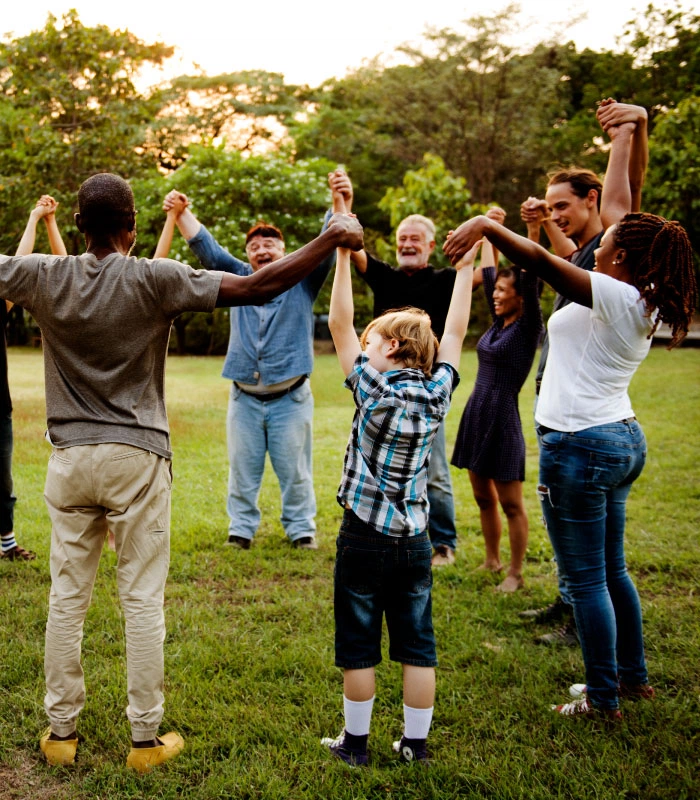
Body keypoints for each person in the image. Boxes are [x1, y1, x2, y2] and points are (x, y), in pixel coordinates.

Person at [0, 173, 362, 770]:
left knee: (67, 599)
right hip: (137, 458)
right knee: (140, 598)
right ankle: (144, 741)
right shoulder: (154, 277)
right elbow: (259, 285)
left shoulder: (44, 273)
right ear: (134, 227)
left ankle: (60, 733)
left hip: (68, 458)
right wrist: (331, 238)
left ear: (81, 225)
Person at [443, 107, 696, 719]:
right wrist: (626, 137)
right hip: (616, 437)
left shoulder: (613, 293)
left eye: (605, 243)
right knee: (612, 572)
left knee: (587, 580)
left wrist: (486, 225)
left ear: (621, 260)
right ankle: (629, 681)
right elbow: (622, 202)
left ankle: (604, 699)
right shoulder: (640, 296)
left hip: (581, 445)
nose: (597, 243)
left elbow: (540, 262)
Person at [320, 181, 478, 766]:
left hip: (362, 533)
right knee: (418, 644)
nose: (363, 345)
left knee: (358, 643)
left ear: (387, 347)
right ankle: (415, 747)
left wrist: (341, 253)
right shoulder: (438, 390)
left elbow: (339, 326)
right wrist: (466, 270)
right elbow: (457, 332)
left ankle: (355, 746)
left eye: (371, 341)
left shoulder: (371, 386)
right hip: (416, 536)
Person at [518, 101, 649, 644]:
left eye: (562, 205)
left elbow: (627, 194)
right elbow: (569, 256)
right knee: (591, 551)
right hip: (578, 413)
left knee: (593, 560)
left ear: (592, 199)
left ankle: (586, 635)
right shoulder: (597, 254)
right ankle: (572, 605)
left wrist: (627, 132)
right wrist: (543, 226)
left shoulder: (618, 247)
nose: (556, 214)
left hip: (585, 426)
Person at [162, 190, 336, 550]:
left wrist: (338, 200)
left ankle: (301, 530)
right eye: (254, 245)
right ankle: (241, 530)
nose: (261, 248)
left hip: (291, 398)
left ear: (285, 250)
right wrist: (180, 213)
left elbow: (327, 241)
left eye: (270, 242)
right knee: (243, 471)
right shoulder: (237, 277)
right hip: (244, 399)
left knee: (295, 472)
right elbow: (205, 248)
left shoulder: (303, 279)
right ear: (247, 255)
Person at [328, 170, 458, 567]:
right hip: (410, 389)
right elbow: (351, 246)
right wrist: (343, 204)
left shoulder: (444, 280)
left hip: (416, 386)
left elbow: (339, 318)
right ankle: (411, 533)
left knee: (433, 470)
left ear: (431, 245)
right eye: (402, 239)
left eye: (415, 239)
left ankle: (444, 541)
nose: (407, 244)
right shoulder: (386, 275)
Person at [451, 212, 544, 592]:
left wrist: (532, 230)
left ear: (522, 296)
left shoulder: (528, 327)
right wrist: (488, 232)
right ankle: (492, 560)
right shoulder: (498, 322)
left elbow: (531, 270)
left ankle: (516, 573)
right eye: (496, 292)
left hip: (503, 416)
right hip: (477, 412)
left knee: (510, 503)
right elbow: (490, 274)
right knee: (481, 495)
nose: (496, 294)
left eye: (505, 291)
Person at [1, 196, 68, 561]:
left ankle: (7, 543)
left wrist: (34, 218)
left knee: (3, 481)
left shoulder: (0, 302)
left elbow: (17, 266)